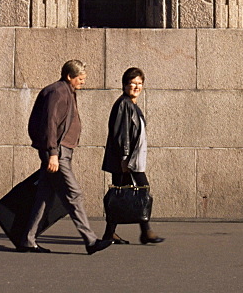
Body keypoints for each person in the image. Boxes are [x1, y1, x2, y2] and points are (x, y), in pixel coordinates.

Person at [20, 59, 111, 255]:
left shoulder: (66, 91)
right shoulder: (58, 92)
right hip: (58, 154)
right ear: (69, 76)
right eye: (80, 78)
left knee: (44, 196)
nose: (83, 82)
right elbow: (49, 124)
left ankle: (28, 239)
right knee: (74, 194)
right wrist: (53, 154)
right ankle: (90, 240)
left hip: (61, 152)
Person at [101, 66, 164, 245]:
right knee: (142, 191)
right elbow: (121, 134)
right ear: (124, 84)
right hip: (128, 161)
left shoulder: (132, 105)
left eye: (140, 83)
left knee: (121, 194)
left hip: (131, 160)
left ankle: (110, 233)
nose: (136, 86)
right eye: (132, 83)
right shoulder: (124, 104)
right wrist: (124, 158)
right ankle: (146, 232)